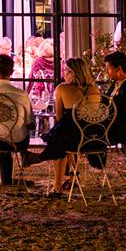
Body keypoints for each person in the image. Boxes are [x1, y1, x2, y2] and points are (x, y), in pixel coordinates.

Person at [33, 56, 102, 197]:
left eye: (65, 70)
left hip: (71, 140)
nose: (63, 73)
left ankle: (57, 185)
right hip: (92, 137)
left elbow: (59, 118)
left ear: (72, 72)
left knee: (60, 136)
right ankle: (72, 177)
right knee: (67, 132)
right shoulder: (95, 90)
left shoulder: (62, 89)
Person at [0, 53, 38, 184]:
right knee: (16, 132)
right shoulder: (21, 94)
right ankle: (24, 157)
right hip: (18, 141)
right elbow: (29, 121)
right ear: (12, 71)